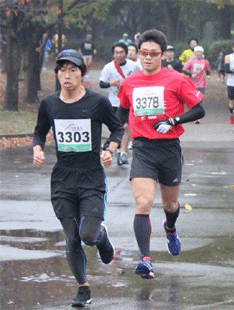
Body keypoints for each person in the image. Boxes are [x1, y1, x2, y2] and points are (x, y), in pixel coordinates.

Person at [32, 49, 124, 307]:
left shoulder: (96, 102)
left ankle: (101, 237)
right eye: (62, 70)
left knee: (88, 235)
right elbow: (39, 132)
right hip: (62, 179)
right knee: (72, 237)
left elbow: (117, 128)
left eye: (73, 70)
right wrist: (37, 148)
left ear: (82, 74)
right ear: (57, 74)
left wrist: (109, 150)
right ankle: (83, 288)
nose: (67, 75)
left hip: (91, 178)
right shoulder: (49, 104)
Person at [116, 29, 205, 279]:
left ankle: (170, 228)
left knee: (170, 204)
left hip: (169, 148)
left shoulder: (176, 79)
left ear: (163, 55)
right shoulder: (129, 82)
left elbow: (199, 110)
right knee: (143, 202)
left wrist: (174, 119)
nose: (147, 58)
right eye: (143, 53)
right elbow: (121, 114)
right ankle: (145, 259)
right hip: (143, 148)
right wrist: (114, 139)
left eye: (153, 54)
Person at [99, 42, 140, 166]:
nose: (119, 55)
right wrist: (111, 83)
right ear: (113, 54)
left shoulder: (134, 66)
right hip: (114, 102)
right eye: (116, 52)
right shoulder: (108, 67)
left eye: (121, 52)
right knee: (117, 128)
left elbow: (140, 80)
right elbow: (101, 84)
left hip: (129, 102)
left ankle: (122, 152)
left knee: (126, 127)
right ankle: (111, 145)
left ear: (126, 53)